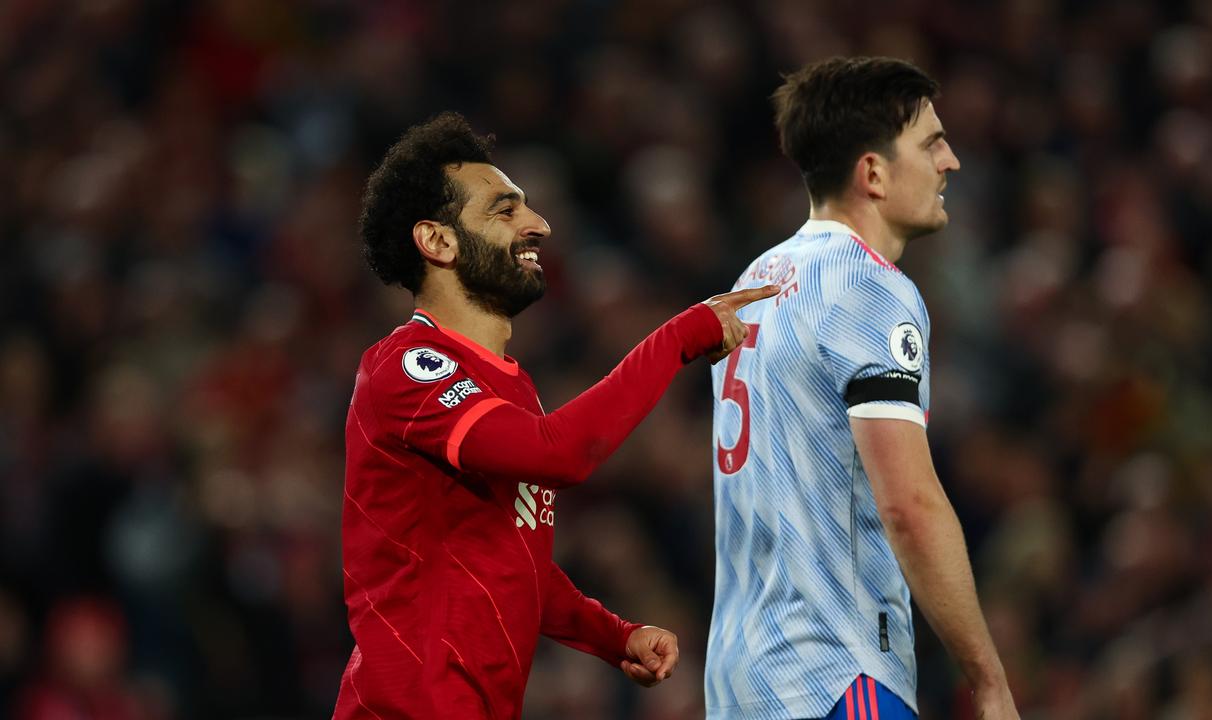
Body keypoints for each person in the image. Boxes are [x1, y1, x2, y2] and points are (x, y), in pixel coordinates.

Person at [334, 111, 778, 719]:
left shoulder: (510, 389)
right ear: (436, 241)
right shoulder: (406, 367)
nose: (539, 225)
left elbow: (518, 566)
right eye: (504, 210)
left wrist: (612, 635)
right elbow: (559, 454)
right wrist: (681, 334)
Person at [705, 57, 1020, 719]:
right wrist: (988, 680)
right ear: (873, 173)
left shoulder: (753, 283)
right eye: (932, 143)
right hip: (833, 670)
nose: (951, 162)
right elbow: (908, 503)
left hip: (740, 681)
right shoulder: (869, 290)